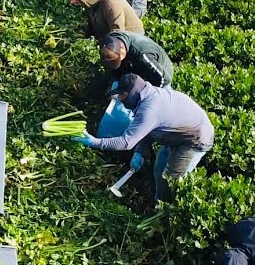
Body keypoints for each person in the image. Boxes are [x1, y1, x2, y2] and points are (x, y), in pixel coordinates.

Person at [73, 74, 213, 202]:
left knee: (169, 180)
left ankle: (165, 215)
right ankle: (159, 202)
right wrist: (140, 151)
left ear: (133, 94)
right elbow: (149, 129)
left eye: (122, 96)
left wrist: (95, 142)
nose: (121, 100)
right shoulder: (147, 96)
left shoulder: (150, 108)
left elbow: (126, 142)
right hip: (176, 135)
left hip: (195, 139)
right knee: (159, 169)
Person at [95, 31, 173, 95]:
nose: (120, 61)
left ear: (122, 46)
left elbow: (164, 79)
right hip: (135, 64)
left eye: (119, 59)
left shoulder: (143, 54)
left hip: (161, 71)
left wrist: (151, 95)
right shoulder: (110, 40)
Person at [71, 0, 142, 39]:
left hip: (132, 37)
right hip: (110, 34)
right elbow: (92, 25)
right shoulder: (90, 3)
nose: (73, 1)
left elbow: (118, 33)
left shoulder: (112, 3)